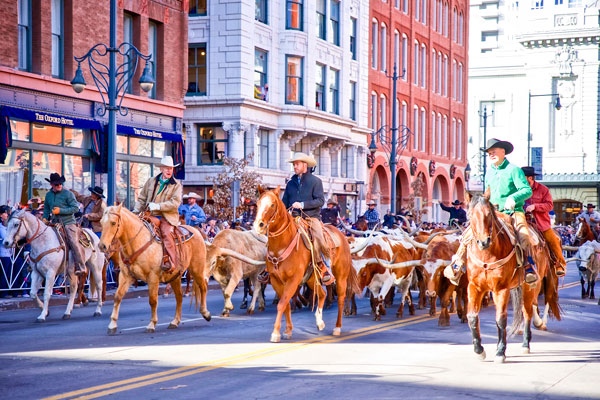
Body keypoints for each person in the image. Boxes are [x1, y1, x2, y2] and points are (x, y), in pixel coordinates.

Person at [445, 138, 538, 285]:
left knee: (524, 234)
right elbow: (487, 194)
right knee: (468, 234)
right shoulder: (489, 173)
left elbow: (527, 190)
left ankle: (529, 266)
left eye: (494, 152)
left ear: (503, 152)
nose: (491, 155)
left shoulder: (514, 170)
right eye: (489, 153)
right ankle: (457, 264)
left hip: (513, 212)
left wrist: (513, 198)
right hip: (493, 212)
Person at [281, 152, 333, 285]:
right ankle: (270, 266)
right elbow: (284, 202)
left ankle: (323, 266)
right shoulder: (291, 183)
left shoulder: (316, 181)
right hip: (292, 217)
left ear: (305, 165)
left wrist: (303, 204)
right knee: (275, 234)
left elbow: (320, 200)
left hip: (311, 218)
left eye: (297, 164)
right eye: (294, 164)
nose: (295, 166)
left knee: (318, 237)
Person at [133, 156, 183, 274]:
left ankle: (171, 261)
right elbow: (142, 198)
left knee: (166, 233)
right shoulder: (151, 181)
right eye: (166, 168)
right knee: (133, 230)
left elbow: (175, 203)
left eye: (170, 168)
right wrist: (135, 211)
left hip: (166, 217)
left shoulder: (176, 185)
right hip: (148, 214)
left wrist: (159, 206)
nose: (169, 171)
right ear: (161, 169)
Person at [521, 166, 566, 277]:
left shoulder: (543, 189)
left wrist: (535, 206)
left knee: (553, 240)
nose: (520, 180)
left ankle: (559, 263)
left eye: (522, 177)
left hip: (540, 223)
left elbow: (549, 205)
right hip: (522, 221)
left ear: (530, 178)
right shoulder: (518, 189)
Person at [42, 173, 87, 276]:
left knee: (73, 242)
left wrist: (60, 211)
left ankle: (81, 266)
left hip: (68, 222)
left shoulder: (68, 194)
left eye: (60, 184)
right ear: (52, 185)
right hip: (54, 223)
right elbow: (46, 209)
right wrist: (44, 218)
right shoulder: (48, 195)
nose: (59, 186)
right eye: (57, 184)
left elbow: (75, 208)